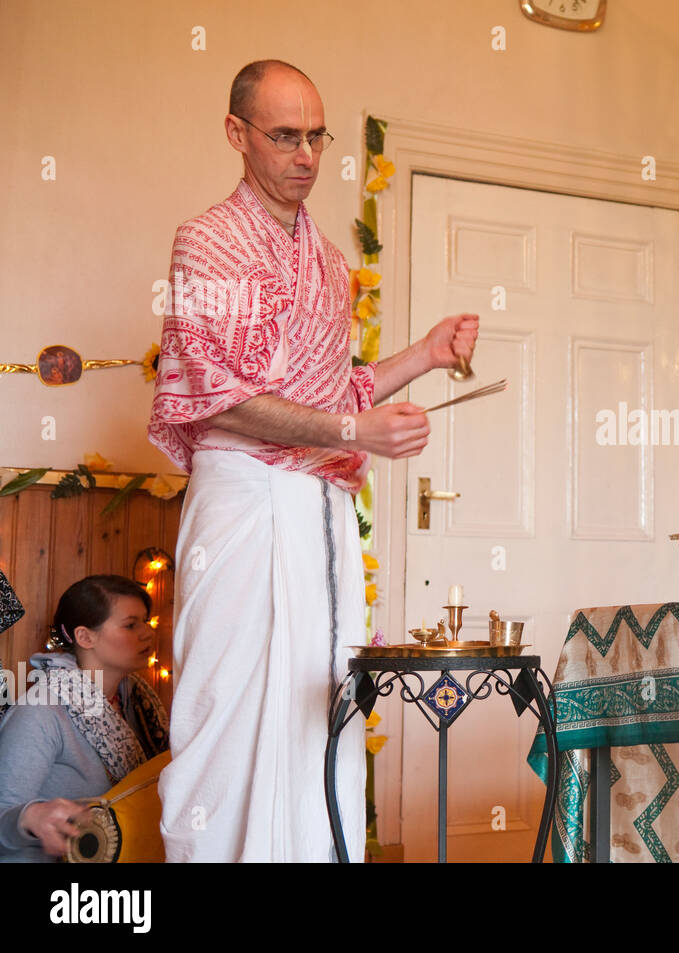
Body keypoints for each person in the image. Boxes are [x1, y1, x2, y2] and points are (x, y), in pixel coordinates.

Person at [147, 59, 478, 862]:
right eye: (284, 136)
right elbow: (214, 393)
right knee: (231, 711)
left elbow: (338, 390)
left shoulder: (331, 262)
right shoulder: (207, 240)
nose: (305, 155)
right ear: (238, 134)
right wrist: (353, 432)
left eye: (316, 137)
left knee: (318, 708)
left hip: (318, 513)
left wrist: (424, 355)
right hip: (244, 506)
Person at [0, 575, 168, 862]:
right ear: (85, 637)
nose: (148, 633)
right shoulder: (40, 713)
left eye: (146, 621)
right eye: (131, 625)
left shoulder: (142, 707)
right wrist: (30, 816)